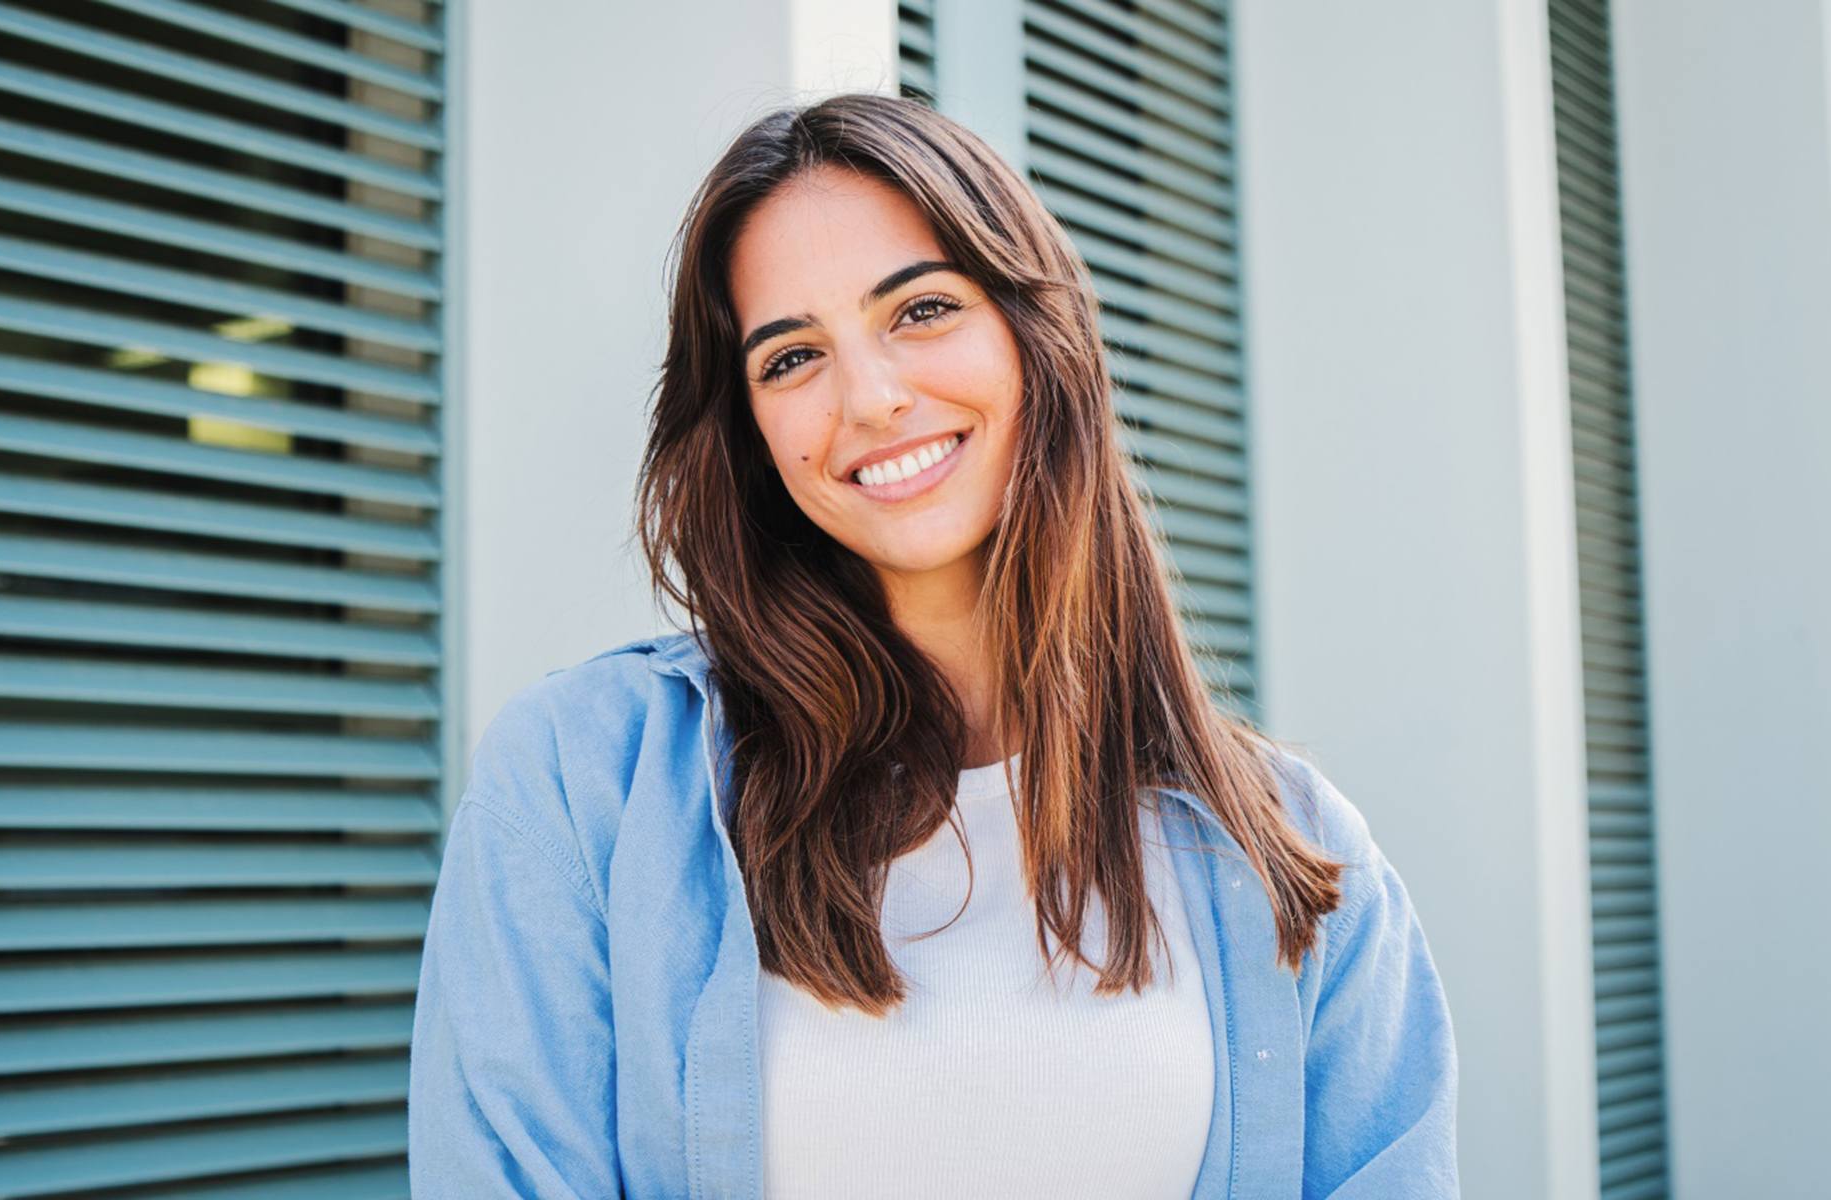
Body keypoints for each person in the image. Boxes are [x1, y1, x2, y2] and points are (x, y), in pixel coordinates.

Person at [408, 92, 1459, 1199]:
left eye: (918, 311)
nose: (869, 399)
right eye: (790, 358)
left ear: (1034, 334)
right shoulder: (582, 785)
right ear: (751, 434)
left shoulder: (1291, 851)